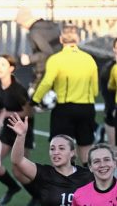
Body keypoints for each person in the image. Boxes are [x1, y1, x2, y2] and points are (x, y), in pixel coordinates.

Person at [32, 24, 99, 166]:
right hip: (86, 108)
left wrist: (35, 99)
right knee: (85, 146)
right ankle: (88, 182)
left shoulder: (56, 59)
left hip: (64, 110)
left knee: (62, 148)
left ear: (61, 39)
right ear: (78, 39)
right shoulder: (89, 59)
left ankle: (66, 183)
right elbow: (95, 90)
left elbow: (46, 82)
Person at [0, 54, 35, 206]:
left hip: (22, 132)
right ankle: (12, 187)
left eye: (3, 65)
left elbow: (29, 112)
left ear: (11, 68)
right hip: (7, 131)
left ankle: (38, 195)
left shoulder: (18, 89)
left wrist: (7, 114)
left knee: (19, 171)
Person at [16, 6, 61, 95]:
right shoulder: (50, 25)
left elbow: (48, 53)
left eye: (20, 25)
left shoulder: (34, 33)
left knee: (33, 97)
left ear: (24, 21)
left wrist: (29, 59)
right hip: (61, 67)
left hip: (46, 71)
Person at [101, 37, 117, 149]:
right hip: (112, 111)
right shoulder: (108, 68)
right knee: (113, 149)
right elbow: (106, 91)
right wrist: (112, 109)